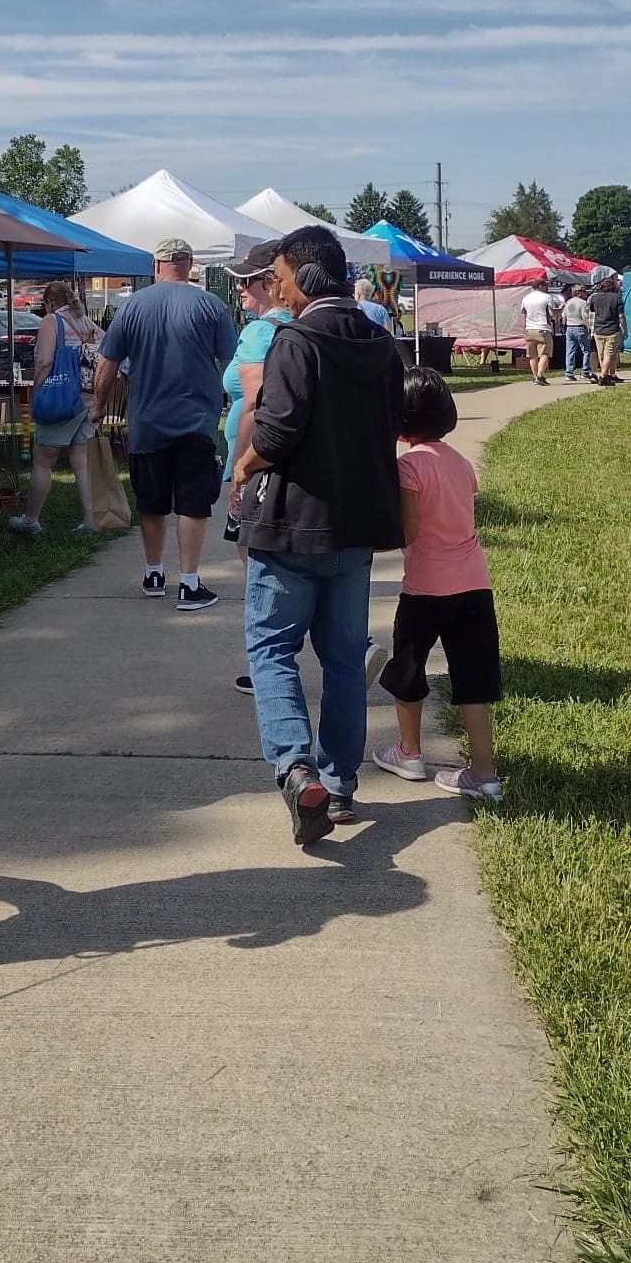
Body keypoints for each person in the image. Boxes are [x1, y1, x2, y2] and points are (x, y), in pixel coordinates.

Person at [232, 225, 402, 844]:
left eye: (278, 278)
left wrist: (243, 466)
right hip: (356, 531)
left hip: (291, 528)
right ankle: (339, 788)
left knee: (272, 650)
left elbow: (276, 435)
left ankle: (295, 765)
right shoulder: (382, 344)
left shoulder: (295, 341)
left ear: (305, 279)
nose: (277, 290)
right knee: (343, 661)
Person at [372, 368, 502, 801]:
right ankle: (484, 774)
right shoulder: (460, 463)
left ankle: (409, 752)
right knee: (473, 676)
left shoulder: (409, 466)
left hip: (426, 586)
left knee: (409, 666)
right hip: (473, 584)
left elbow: (407, 532)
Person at [91, 237, 237, 610]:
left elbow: (107, 363)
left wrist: (99, 406)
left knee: (151, 502)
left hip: (146, 421)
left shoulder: (132, 306)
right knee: (193, 503)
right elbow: (230, 360)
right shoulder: (211, 304)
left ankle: (154, 573)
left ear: (156, 266)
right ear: (189, 265)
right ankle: (189, 583)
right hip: (196, 422)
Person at [219, 241, 290, 694]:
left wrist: (241, 471)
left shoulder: (260, 333)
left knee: (260, 566)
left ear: (270, 282)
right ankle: (350, 642)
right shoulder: (302, 324)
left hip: (259, 464)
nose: (240, 289)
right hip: (294, 463)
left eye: (246, 281)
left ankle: (268, 666)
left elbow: (255, 407)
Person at [10, 279, 102, 535]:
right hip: (85, 399)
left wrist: (37, 390)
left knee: (42, 461)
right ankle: (89, 520)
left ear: (49, 303)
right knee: (80, 461)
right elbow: (104, 344)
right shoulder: (82, 319)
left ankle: (31, 519)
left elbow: (44, 361)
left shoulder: (52, 321)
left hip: (61, 398)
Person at [517, 274, 558, 384]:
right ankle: (540, 376)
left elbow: (523, 315)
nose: (547, 288)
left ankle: (535, 376)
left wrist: (524, 328)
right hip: (543, 328)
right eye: (545, 286)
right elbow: (552, 314)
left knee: (532, 356)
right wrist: (561, 309)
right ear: (540, 286)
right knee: (544, 354)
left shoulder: (526, 298)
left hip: (529, 329)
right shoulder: (547, 297)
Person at [586, 274, 627, 385]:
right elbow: (621, 316)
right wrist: (625, 329)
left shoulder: (594, 297)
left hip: (598, 330)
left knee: (601, 355)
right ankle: (603, 377)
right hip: (612, 330)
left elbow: (591, 312)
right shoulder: (616, 298)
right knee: (609, 354)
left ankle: (605, 375)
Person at [560, 284, 591, 381]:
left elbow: (563, 317)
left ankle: (569, 373)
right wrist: (589, 329)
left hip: (569, 328)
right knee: (586, 351)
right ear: (579, 293)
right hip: (580, 327)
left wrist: (564, 327)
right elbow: (585, 317)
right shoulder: (583, 303)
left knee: (570, 352)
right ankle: (585, 371)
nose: (586, 293)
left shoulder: (568, 302)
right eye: (584, 291)